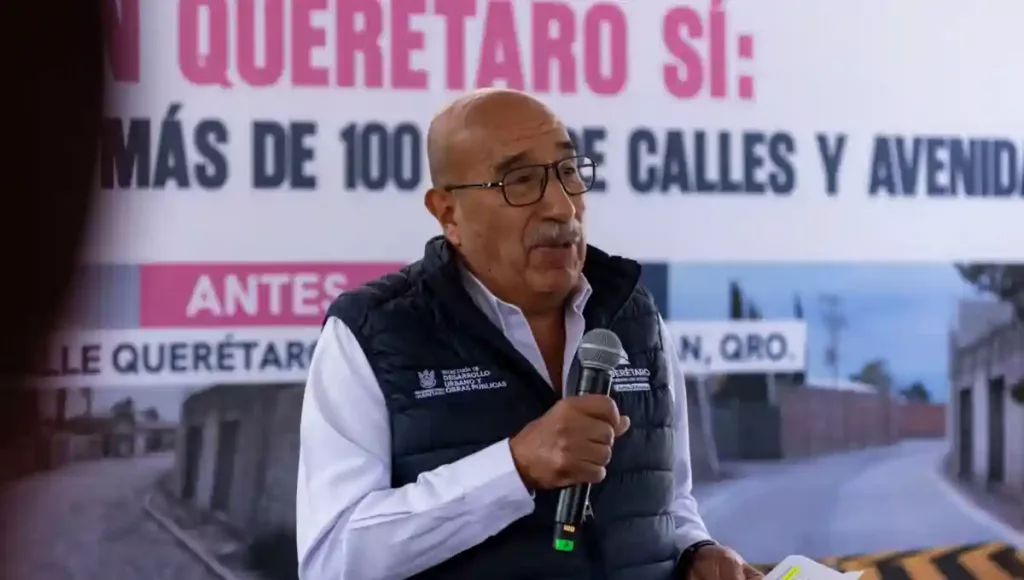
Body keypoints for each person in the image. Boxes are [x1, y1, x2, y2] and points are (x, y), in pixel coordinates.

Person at [296, 88, 762, 580]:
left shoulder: (635, 316)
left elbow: (671, 500)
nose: (562, 207)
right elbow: (331, 560)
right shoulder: (372, 333)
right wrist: (514, 468)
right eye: (520, 181)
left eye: (568, 172)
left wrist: (696, 551)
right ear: (448, 213)